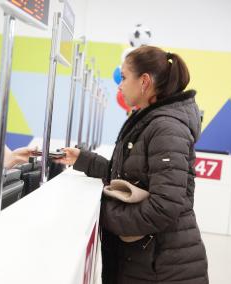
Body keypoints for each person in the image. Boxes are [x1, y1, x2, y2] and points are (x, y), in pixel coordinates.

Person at [56, 46, 208, 283]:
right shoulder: (151, 121)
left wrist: (102, 214)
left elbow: (164, 206)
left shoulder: (166, 128)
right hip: (146, 261)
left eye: (124, 77)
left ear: (144, 81)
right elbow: (127, 173)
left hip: (162, 268)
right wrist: (81, 159)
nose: (120, 85)